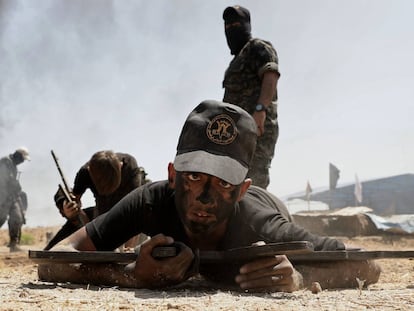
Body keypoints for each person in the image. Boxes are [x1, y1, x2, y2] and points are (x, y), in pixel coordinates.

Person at [42, 100, 380, 292]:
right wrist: (127, 275)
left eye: (222, 183)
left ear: (241, 190)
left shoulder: (263, 223)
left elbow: (370, 266)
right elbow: (52, 262)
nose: (204, 198)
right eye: (194, 176)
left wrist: (302, 277)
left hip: (271, 202)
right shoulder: (150, 201)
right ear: (173, 176)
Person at [222, 5, 280, 189]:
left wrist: (260, 110)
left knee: (254, 183)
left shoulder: (257, 47)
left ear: (247, 25)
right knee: (234, 183)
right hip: (235, 134)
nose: (231, 28)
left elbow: (270, 74)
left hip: (256, 129)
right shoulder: (235, 61)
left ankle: (261, 216)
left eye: (236, 23)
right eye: (227, 25)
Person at [44, 150, 149, 250]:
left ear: (120, 167)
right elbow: (75, 199)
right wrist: (70, 212)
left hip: (132, 221)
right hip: (100, 218)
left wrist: (128, 250)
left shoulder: (130, 168)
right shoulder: (85, 172)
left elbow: (136, 211)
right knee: (51, 253)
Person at [0, 147, 30, 252]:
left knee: (17, 218)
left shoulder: (13, 165)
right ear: (18, 155)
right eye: (22, 159)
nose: (22, 162)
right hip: (2, 197)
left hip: (11, 197)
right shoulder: (5, 161)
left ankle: (14, 244)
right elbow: (3, 180)